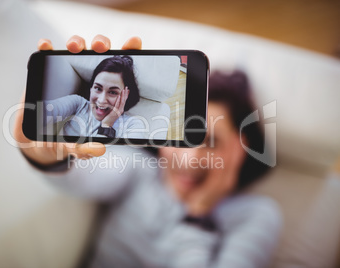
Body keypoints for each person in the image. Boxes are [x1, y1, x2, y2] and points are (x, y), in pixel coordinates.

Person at [15, 35, 282, 267]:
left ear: (240, 147)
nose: (191, 158)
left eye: (212, 141)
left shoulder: (256, 215)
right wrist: (41, 152)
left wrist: (198, 213)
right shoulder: (140, 171)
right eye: (187, 137)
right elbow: (75, 176)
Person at [43, 55, 144, 139]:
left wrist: (107, 125)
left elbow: (105, 160)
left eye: (113, 92)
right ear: (91, 88)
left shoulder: (133, 125)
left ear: (125, 95)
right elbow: (43, 112)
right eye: (98, 88)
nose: (101, 100)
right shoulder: (78, 104)